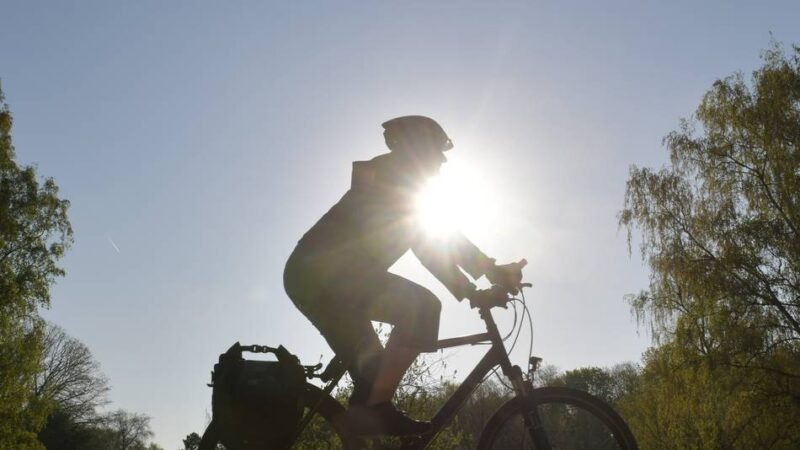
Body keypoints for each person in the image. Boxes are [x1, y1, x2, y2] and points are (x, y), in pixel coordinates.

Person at [283, 116, 521, 436]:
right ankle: (376, 409)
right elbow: (430, 244)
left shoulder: (398, 182)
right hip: (324, 278)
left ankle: (365, 418)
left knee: (373, 376)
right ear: (417, 150)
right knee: (421, 307)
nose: (443, 159)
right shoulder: (393, 181)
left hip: (325, 280)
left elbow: (439, 240)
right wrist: (478, 283)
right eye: (437, 150)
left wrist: (482, 278)